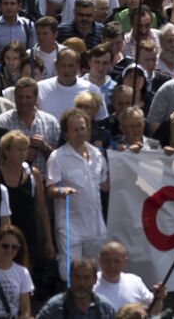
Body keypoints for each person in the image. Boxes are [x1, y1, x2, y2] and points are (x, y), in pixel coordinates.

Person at [45, 110, 108, 278]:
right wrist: (61, 191)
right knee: (70, 273)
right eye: (75, 130)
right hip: (70, 226)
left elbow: (105, 186)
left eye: (83, 128)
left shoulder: (97, 154)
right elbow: (50, 190)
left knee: (97, 272)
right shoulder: (57, 157)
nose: (80, 133)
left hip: (96, 226)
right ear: (66, 134)